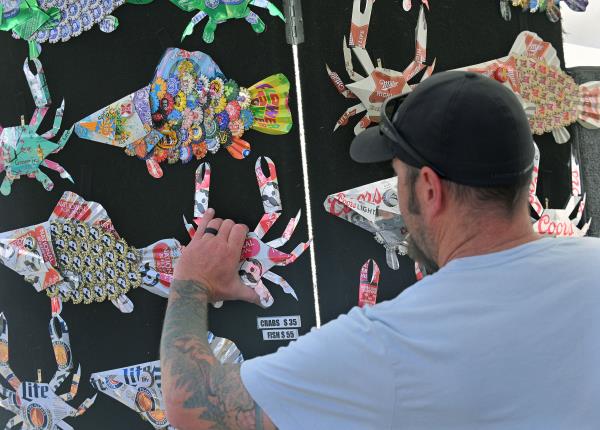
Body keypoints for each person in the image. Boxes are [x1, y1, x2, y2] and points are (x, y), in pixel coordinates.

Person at [160, 71, 600, 430]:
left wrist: (191, 283)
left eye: (398, 178)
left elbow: (195, 406)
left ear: (428, 189)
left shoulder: (391, 343)